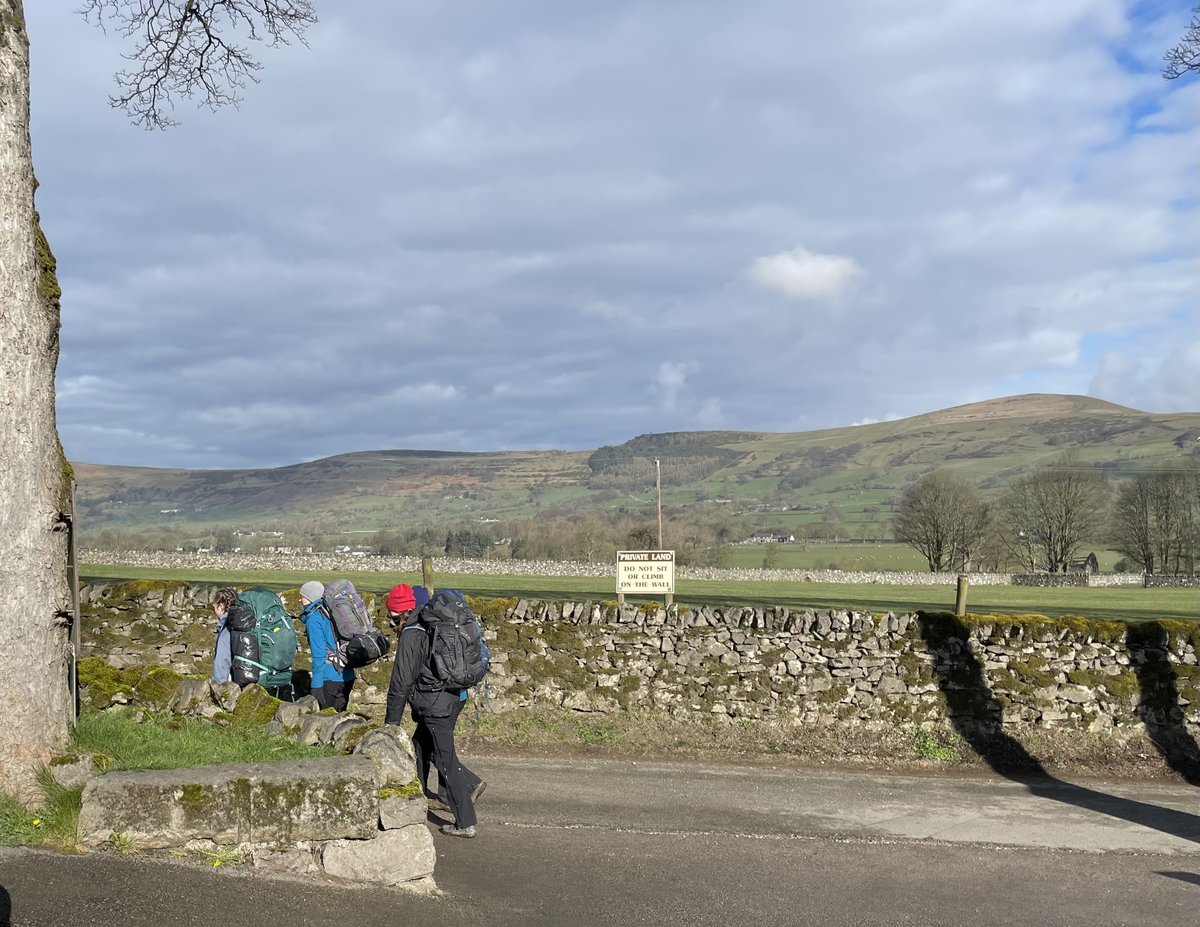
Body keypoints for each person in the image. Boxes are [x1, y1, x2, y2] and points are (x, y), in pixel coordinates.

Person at [384, 582, 478, 838]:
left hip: (436, 705)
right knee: (421, 744)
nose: (391, 623)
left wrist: (390, 726)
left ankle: (465, 821)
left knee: (445, 758)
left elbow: (400, 683)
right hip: (455, 696)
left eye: (392, 617)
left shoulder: (413, 632)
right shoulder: (434, 621)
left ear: (403, 612)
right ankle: (419, 799)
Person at [411, 586, 486, 812]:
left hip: (440, 699)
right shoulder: (451, 621)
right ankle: (442, 794)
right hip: (459, 694)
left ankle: (468, 786)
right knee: (430, 744)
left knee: (439, 751)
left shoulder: (427, 628)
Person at [298, 580, 355, 712]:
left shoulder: (314, 620)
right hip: (347, 674)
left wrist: (316, 686)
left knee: (327, 721)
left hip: (329, 678)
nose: (300, 600)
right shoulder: (334, 613)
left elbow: (319, 656)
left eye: (302, 596)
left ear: (310, 598)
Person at [210, 587, 237, 684]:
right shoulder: (239, 624)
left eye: (214, 606)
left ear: (221, 606)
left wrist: (217, 687)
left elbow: (222, 662)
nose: (213, 608)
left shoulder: (227, 629)